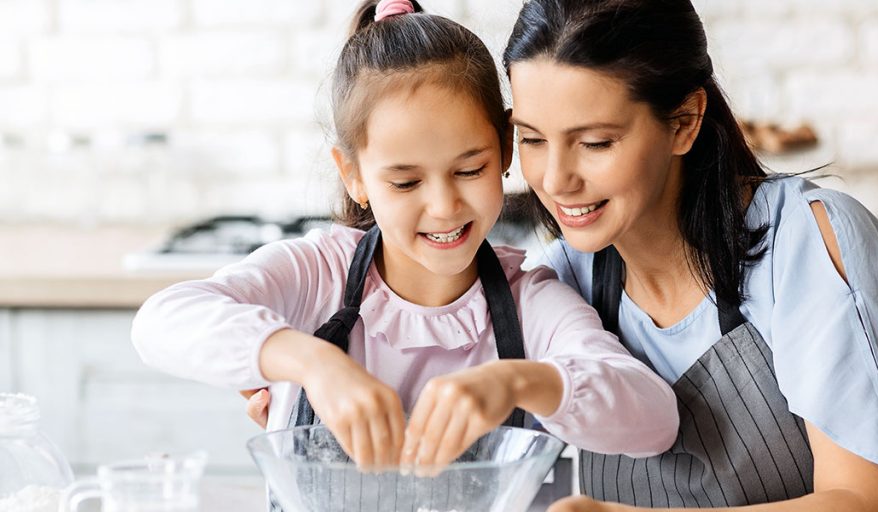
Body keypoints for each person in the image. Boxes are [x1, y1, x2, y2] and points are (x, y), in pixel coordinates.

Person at [131, 0, 679, 480]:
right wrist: (310, 362)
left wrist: (518, 382)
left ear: (506, 151)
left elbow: (655, 421)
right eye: (406, 181)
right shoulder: (314, 274)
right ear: (354, 176)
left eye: (470, 170)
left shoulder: (532, 301)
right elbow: (161, 321)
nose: (443, 206)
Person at [500, 0, 878, 510]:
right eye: (532, 139)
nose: (556, 180)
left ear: (684, 121)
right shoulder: (564, 278)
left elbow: (865, 501)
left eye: (597, 143)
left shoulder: (806, 241)